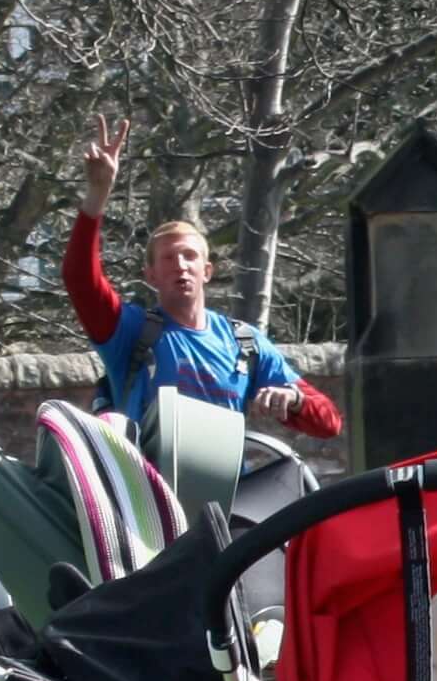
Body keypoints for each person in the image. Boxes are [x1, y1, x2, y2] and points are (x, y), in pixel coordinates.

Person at [68, 122, 345, 445]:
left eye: (190, 256)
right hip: (145, 491)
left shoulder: (245, 344)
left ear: (207, 271)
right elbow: (80, 280)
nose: (181, 265)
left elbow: (330, 422)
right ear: (151, 276)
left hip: (224, 493)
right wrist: (97, 194)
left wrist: (294, 400)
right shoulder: (130, 332)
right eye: (168, 258)